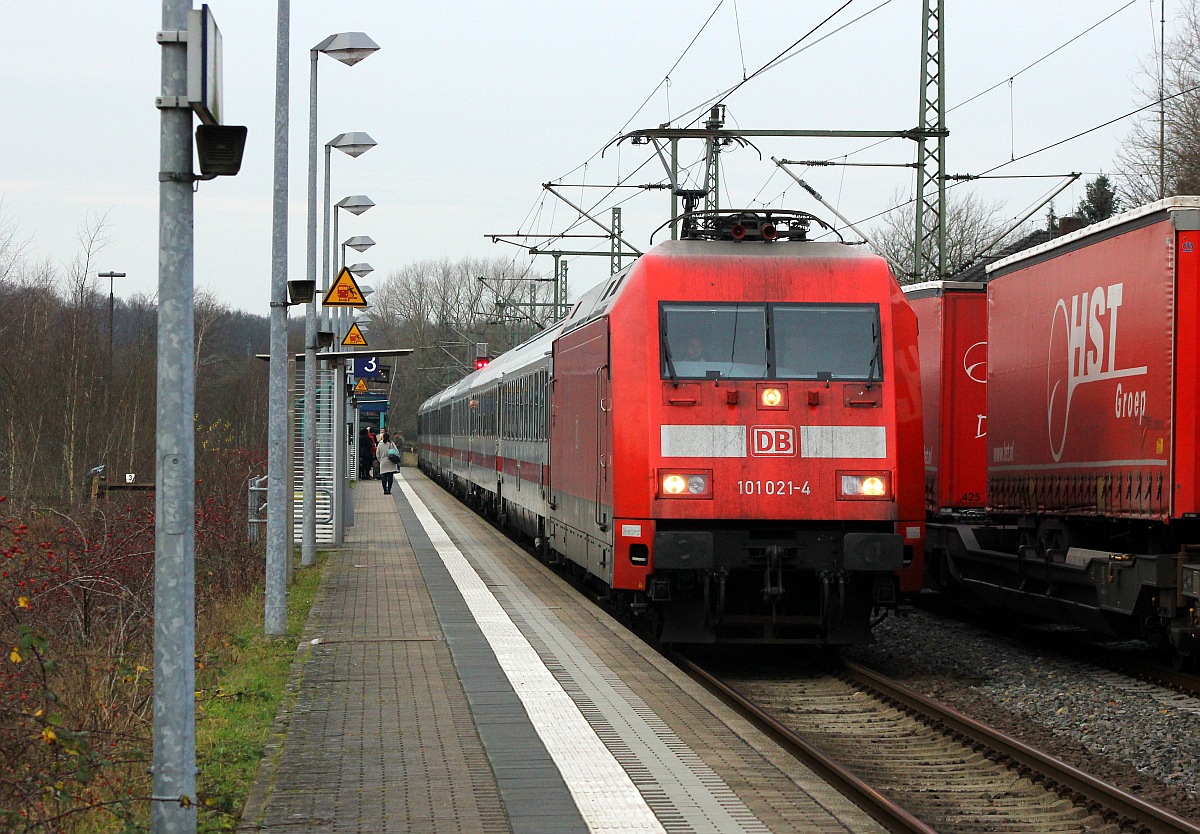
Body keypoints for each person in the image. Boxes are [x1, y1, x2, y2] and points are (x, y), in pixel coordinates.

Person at [376, 431, 400, 495]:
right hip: (391, 462)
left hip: (383, 462)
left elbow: (377, 454)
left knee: (384, 476)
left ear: (383, 437)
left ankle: (385, 490)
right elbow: (397, 452)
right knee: (390, 476)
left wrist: (380, 460)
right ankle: (389, 490)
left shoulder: (380, 444)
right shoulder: (391, 444)